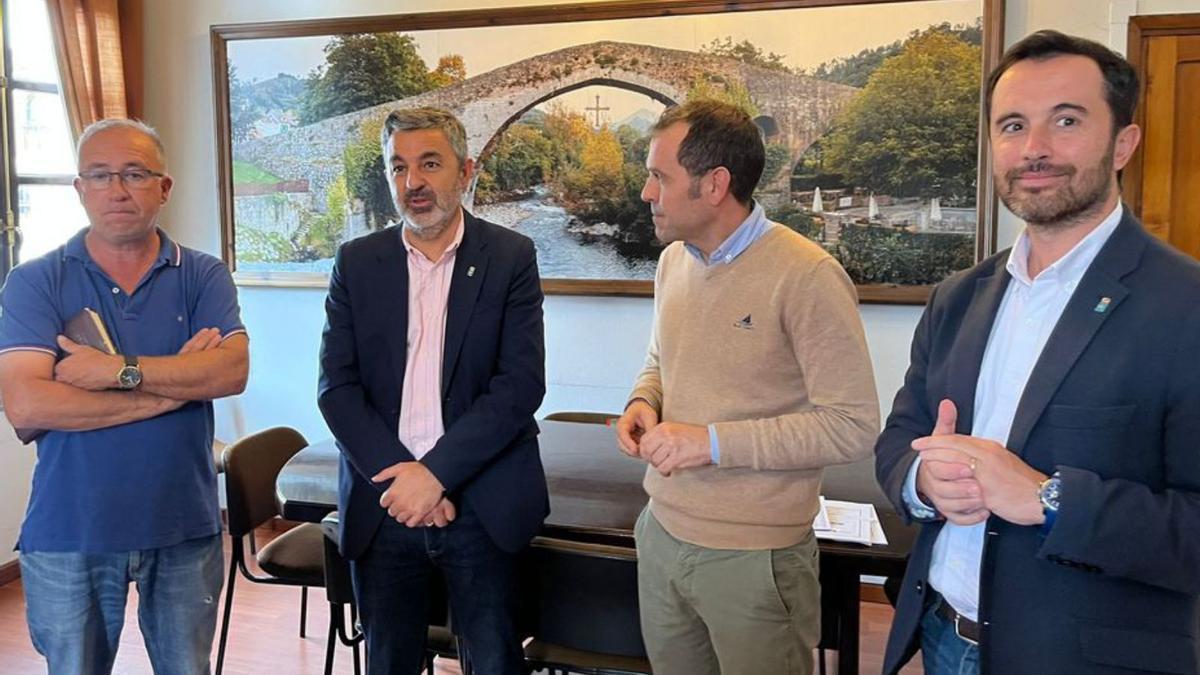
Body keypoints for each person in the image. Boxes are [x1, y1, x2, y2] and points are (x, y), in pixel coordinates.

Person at [875, 30, 1200, 675]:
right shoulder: (958, 297)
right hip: (941, 636)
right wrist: (921, 482)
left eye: (1068, 120)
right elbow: (901, 436)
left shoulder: (1186, 305)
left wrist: (1049, 499)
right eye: (1013, 125)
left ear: (1123, 145)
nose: (1035, 149)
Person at [614, 99, 880, 675]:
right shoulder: (672, 264)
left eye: (659, 177)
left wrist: (709, 443)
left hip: (756, 557)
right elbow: (661, 358)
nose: (645, 193)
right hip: (661, 532)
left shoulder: (807, 275)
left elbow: (853, 427)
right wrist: (644, 399)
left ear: (714, 185)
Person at [0, 118, 249, 674]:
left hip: (184, 527)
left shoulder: (203, 274)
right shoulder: (34, 280)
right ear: (80, 188)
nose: (117, 189)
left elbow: (230, 372)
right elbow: (28, 405)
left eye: (135, 174)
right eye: (100, 174)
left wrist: (118, 370)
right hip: (71, 531)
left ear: (164, 187)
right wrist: (174, 388)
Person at [317, 106, 546, 675]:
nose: (412, 182)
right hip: (385, 503)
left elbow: (519, 386)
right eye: (398, 167)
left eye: (429, 164)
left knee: (494, 661)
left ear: (465, 171)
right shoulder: (357, 262)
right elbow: (336, 388)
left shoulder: (511, 258)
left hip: (481, 505)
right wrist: (405, 478)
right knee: (388, 662)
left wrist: (435, 475)